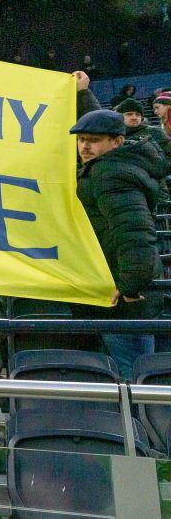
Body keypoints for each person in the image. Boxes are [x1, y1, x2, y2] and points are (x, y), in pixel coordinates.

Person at [69, 75, 163, 378]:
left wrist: (130, 287)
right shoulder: (110, 164)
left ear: (117, 142)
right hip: (109, 294)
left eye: (93, 141)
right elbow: (103, 124)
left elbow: (135, 235)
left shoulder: (110, 174)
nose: (84, 146)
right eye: (81, 139)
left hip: (123, 302)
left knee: (132, 382)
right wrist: (84, 96)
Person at [113, 97, 171, 171]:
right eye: (129, 114)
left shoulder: (155, 132)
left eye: (137, 115)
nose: (134, 117)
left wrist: (158, 171)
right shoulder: (115, 136)